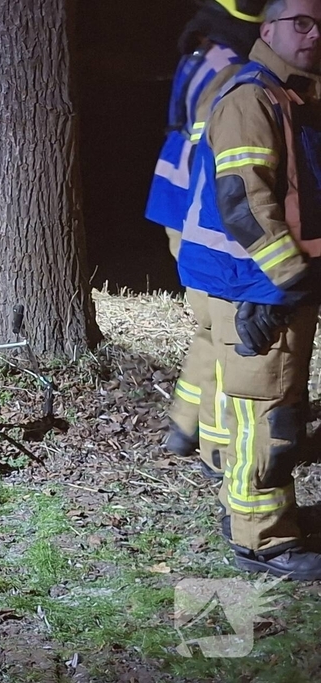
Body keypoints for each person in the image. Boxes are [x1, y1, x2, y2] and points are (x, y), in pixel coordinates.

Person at [178, 0, 321, 579]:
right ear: (267, 30)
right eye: (302, 24)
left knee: (253, 411)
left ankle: (245, 516)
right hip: (258, 287)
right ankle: (263, 539)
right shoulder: (253, 97)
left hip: (253, 282)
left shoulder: (288, 93)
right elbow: (245, 201)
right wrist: (287, 278)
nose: (314, 36)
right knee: (268, 417)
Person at [145, 0, 268, 479]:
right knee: (223, 327)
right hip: (199, 209)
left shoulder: (206, 51)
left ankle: (184, 423)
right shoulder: (231, 66)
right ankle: (218, 451)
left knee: (208, 325)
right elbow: (221, 158)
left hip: (179, 201)